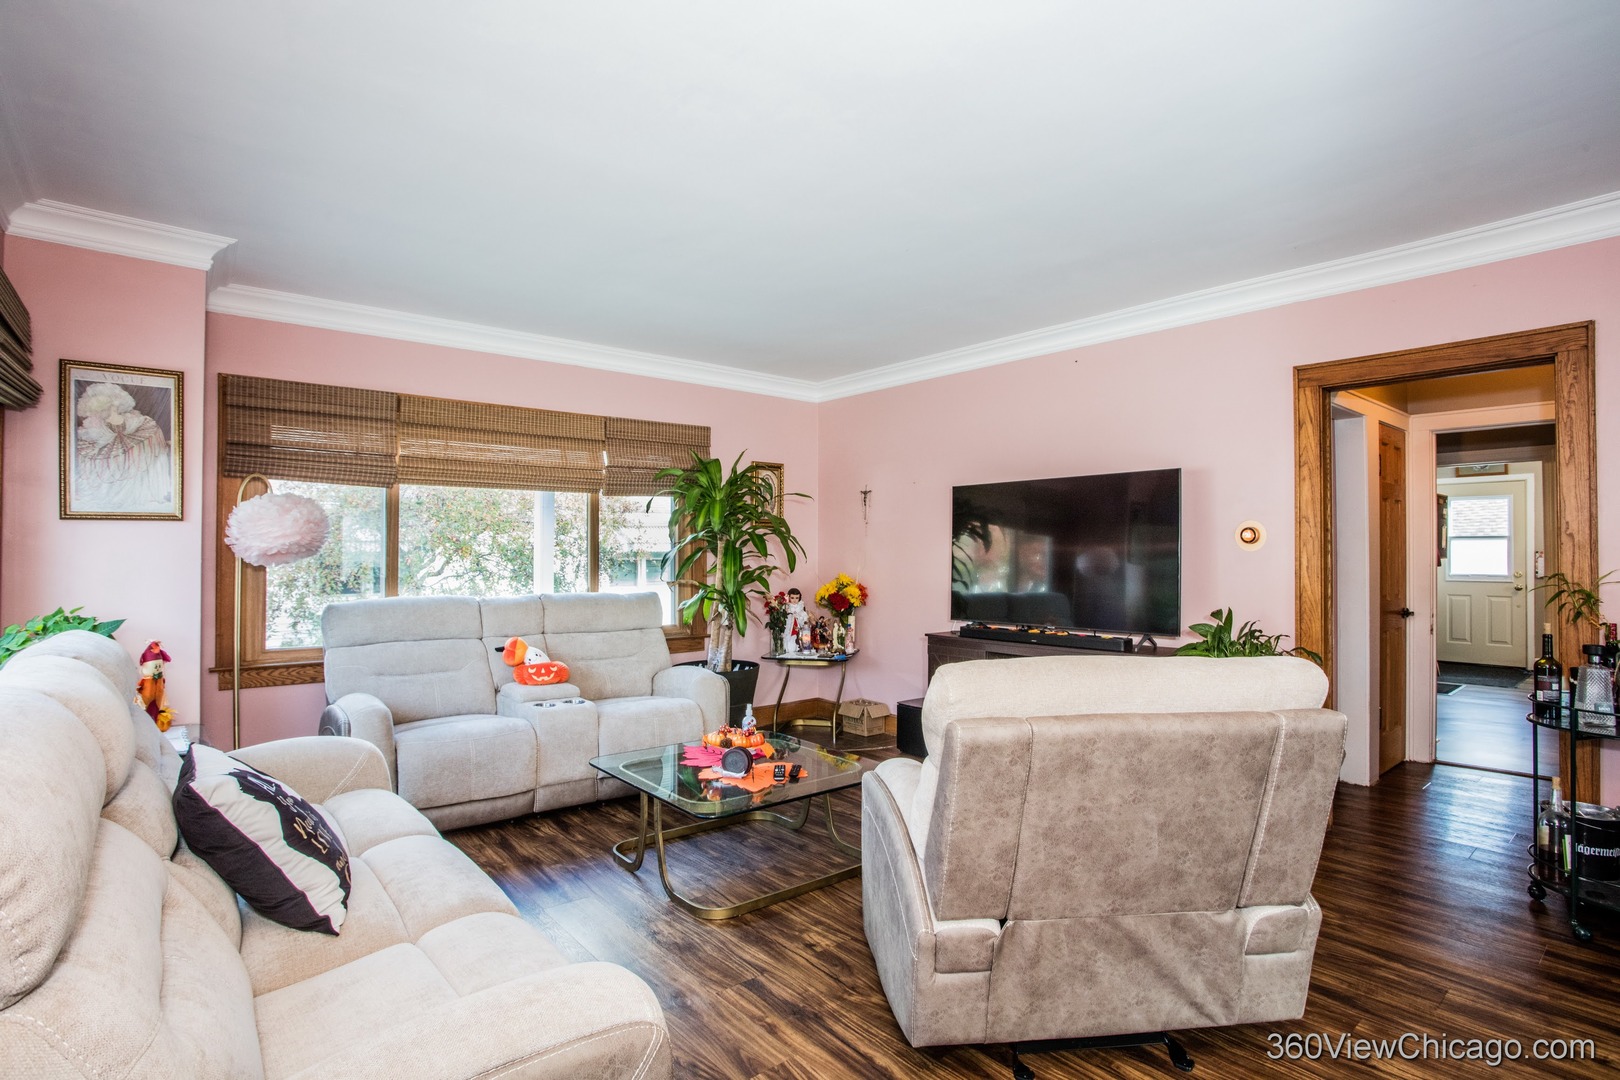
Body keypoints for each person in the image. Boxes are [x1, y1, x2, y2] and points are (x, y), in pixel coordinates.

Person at [783, 588, 809, 654]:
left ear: (799, 598)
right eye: (792, 598)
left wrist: (799, 618)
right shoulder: (786, 607)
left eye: (797, 598)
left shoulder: (802, 611)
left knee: (797, 643)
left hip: (798, 631)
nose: (794, 600)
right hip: (788, 630)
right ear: (789, 597)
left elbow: (805, 623)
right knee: (788, 644)